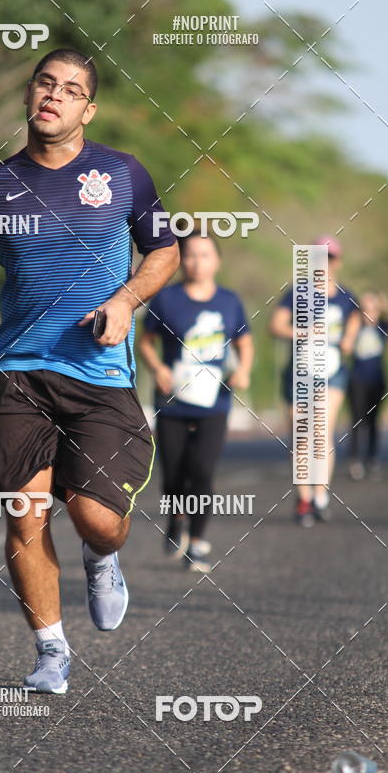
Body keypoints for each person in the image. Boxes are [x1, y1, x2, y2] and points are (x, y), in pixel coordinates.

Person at [0, 48, 179, 694]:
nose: (54, 96)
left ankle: (103, 555)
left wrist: (124, 301)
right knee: (25, 516)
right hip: (18, 374)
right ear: (31, 95)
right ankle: (50, 652)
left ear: (89, 108)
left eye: (71, 89)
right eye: (45, 84)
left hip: (100, 375)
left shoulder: (123, 175)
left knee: (97, 518)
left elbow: (164, 252)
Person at [138, 233, 253, 572]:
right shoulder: (166, 299)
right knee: (173, 472)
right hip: (173, 399)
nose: (197, 262)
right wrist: (157, 367)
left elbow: (245, 343)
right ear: (180, 261)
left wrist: (244, 370)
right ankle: (176, 519)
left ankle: (199, 543)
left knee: (202, 470)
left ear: (216, 261)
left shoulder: (229, 301)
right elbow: (145, 342)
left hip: (214, 400)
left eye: (204, 255)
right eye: (190, 255)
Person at [269, 235, 361, 526]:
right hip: (299, 371)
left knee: (321, 430)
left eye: (330, 259)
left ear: (338, 262)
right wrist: (302, 333)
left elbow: (356, 322)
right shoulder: (296, 293)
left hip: (331, 372)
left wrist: (347, 339)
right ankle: (304, 497)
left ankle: (320, 494)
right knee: (301, 435)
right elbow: (276, 325)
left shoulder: (346, 297)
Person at [348, 291, 388, 480]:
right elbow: (346, 345)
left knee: (373, 421)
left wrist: (383, 304)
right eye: (366, 308)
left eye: (373, 308)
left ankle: (371, 458)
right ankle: (354, 460)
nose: (369, 312)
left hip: (377, 379)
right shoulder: (355, 326)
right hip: (356, 379)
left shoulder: (382, 327)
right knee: (357, 420)